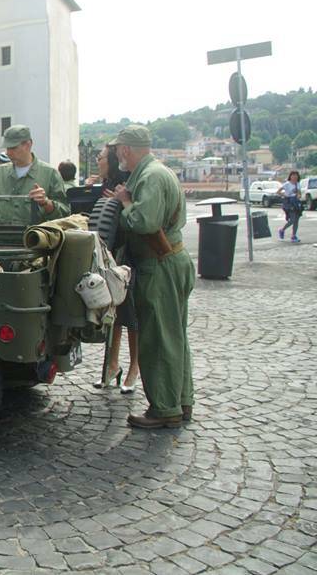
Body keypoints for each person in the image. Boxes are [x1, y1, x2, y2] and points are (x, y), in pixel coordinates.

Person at [109, 124, 194, 429]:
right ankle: (180, 401)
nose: (118, 154)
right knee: (174, 335)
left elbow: (144, 222)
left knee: (158, 339)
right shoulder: (156, 172)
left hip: (159, 264)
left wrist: (125, 202)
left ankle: (164, 408)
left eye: (119, 149)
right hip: (170, 260)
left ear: (125, 150)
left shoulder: (151, 176)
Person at [89, 144, 140, 394]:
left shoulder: (124, 185)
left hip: (129, 256)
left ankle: (134, 369)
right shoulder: (105, 184)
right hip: (111, 257)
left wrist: (118, 204)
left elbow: (133, 219)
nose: (97, 160)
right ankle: (112, 365)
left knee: (132, 316)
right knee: (115, 316)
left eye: (100, 157)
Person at [0, 125, 69, 225]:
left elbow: (64, 213)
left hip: (35, 242)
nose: (8, 153)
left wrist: (46, 203)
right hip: (2, 242)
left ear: (28, 145)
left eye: (13, 147)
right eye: (7, 148)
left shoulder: (50, 174)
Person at [277, 171, 303, 243]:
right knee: (292, 219)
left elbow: (299, 193)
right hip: (289, 203)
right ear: (290, 176)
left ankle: (293, 236)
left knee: (296, 220)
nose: (295, 177)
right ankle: (282, 230)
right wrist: (285, 195)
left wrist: (298, 195)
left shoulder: (298, 184)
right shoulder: (287, 184)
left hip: (296, 202)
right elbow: (278, 191)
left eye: (296, 175)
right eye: (293, 175)